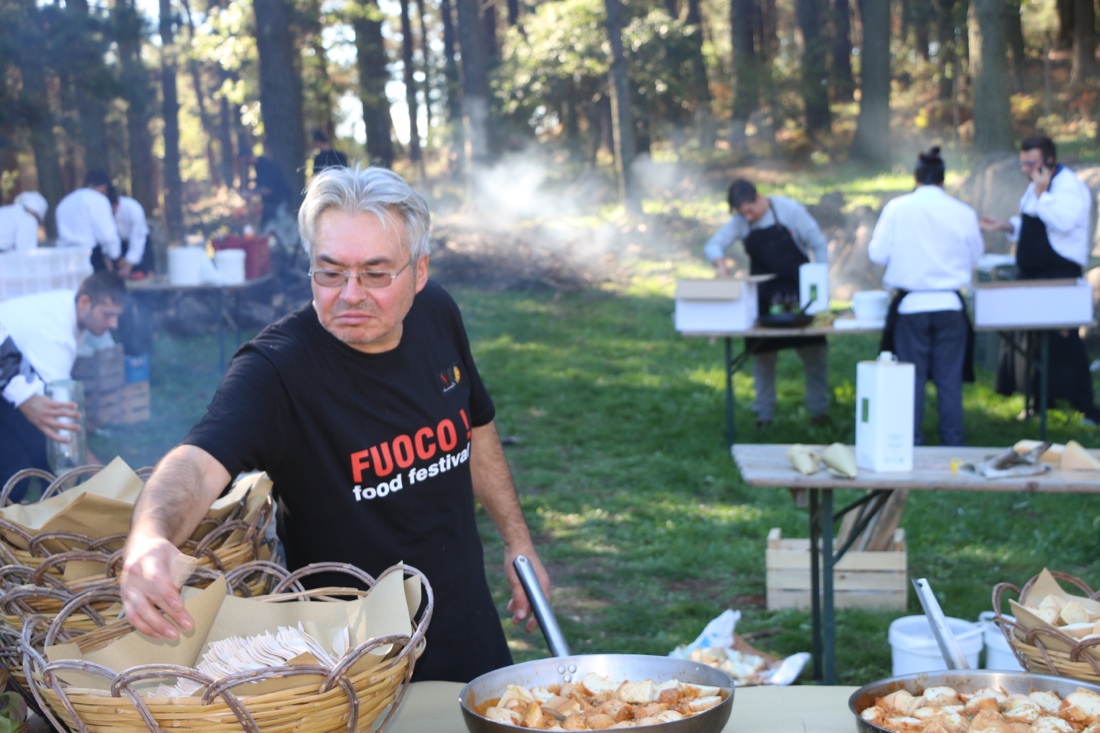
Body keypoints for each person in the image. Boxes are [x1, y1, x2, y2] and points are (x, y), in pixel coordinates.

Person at [120, 165, 551, 683]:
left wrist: (518, 543)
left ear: (418, 272)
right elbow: (196, 462)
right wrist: (150, 539)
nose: (350, 294)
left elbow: (476, 428)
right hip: (352, 663)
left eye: (375, 273)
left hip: (467, 622)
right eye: (330, 272)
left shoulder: (435, 313)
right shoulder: (276, 371)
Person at [979, 135, 1100, 427]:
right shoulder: (1037, 187)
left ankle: (1084, 404)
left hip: (1059, 274)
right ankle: (1038, 399)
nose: (1025, 169)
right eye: (1023, 163)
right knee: (1032, 339)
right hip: (1034, 273)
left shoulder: (1068, 187)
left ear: (1048, 160)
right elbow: (1033, 223)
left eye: (1030, 163)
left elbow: (1063, 223)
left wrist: (1042, 192)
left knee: (1063, 338)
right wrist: (1006, 225)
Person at [868, 147, 984, 446]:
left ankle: (910, 440)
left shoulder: (897, 208)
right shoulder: (963, 211)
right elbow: (976, 256)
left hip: (911, 307)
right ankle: (953, 441)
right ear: (943, 181)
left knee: (911, 380)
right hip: (949, 305)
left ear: (916, 178)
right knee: (949, 380)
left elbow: (877, 253)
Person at [703, 178, 831, 428]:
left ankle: (819, 412)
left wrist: (819, 281)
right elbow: (713, 244)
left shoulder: (789, 210)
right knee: (763, 360)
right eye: (742, 214)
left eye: (750, 211)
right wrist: (720, 263)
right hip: (763, 300)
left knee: (815, 356)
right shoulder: (741, 223)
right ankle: (764, 415)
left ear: (758, 196)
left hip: (798, 297)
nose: (748, 217)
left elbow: (818, 243)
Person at [0, 272, 127, 496]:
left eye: (116, 316)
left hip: (8, 378)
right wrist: (95, 470)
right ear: (85, 302)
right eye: (107, 315)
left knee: (43, 455)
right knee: (14, 472)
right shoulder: (55, 335)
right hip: (8, 380)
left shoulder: (69, 306)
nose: (114, 324)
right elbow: (59, 416)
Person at [56, 169, 123, 273]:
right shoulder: (98, 200)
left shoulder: (65, 202)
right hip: (90, 257)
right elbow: (107, 234)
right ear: (104, 186)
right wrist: (115, 256)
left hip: (65, 257)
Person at [107, 184, 154, 277]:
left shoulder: (133, 209)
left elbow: (138, 239)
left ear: (115, 204)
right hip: (120, 246)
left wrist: (127, 266)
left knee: (146, 275)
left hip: (141, 242)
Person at [240, 151, 294, 230]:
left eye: (245, 160)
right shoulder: (258, 166)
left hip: (280, 199)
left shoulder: (265, 165)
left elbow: (268, 189)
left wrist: (250, 193)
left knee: (285, 227)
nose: (245, 164)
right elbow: (262, 184)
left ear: (248, 157)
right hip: (272, 202)